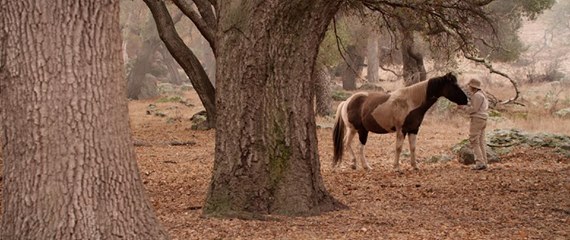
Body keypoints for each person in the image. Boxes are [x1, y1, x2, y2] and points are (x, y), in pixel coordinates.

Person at [460, 78, 489, 170]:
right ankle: (484, 162)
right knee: (480, 141)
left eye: (469, 86)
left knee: (473, 140)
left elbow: (474, 109)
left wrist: (463, 108)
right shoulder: (482, 95)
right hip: (483, 119)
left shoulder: (477, 96)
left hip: (477, 119)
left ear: (473, 87)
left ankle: (480, 163)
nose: (468, 87)